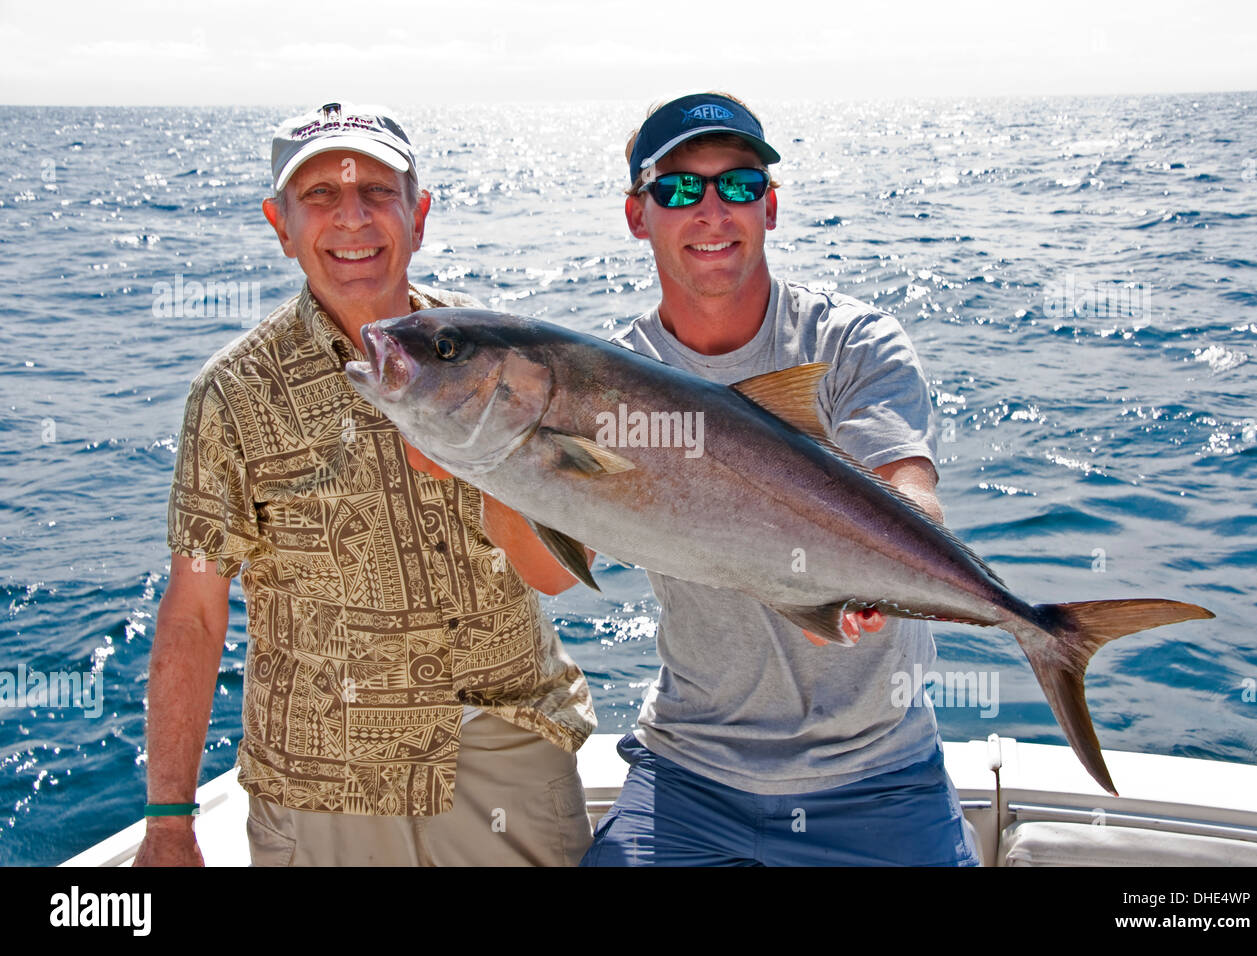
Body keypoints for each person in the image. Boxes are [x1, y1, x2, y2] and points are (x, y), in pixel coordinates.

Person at [135, 102, 595, 867]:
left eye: (378, 193)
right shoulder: (232, 394)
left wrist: (487, 473)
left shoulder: (507, 362)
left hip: (503, 758)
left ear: (418, 215)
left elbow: (555, 573)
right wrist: (168, 823)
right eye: (319, 197)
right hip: (324, 783)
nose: (352, 219)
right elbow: (194, 614)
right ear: (279, 224)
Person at [580, 92, 980, 866]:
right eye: (676, 188)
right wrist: (497, 448)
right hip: (688, 771)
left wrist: (874, 576)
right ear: (638, 215)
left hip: (879, 773)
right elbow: (546, 569)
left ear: (769, 207)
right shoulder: (604, 383)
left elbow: (906, 485)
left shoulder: (850, 342)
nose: (710, 210)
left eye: (736, 185)